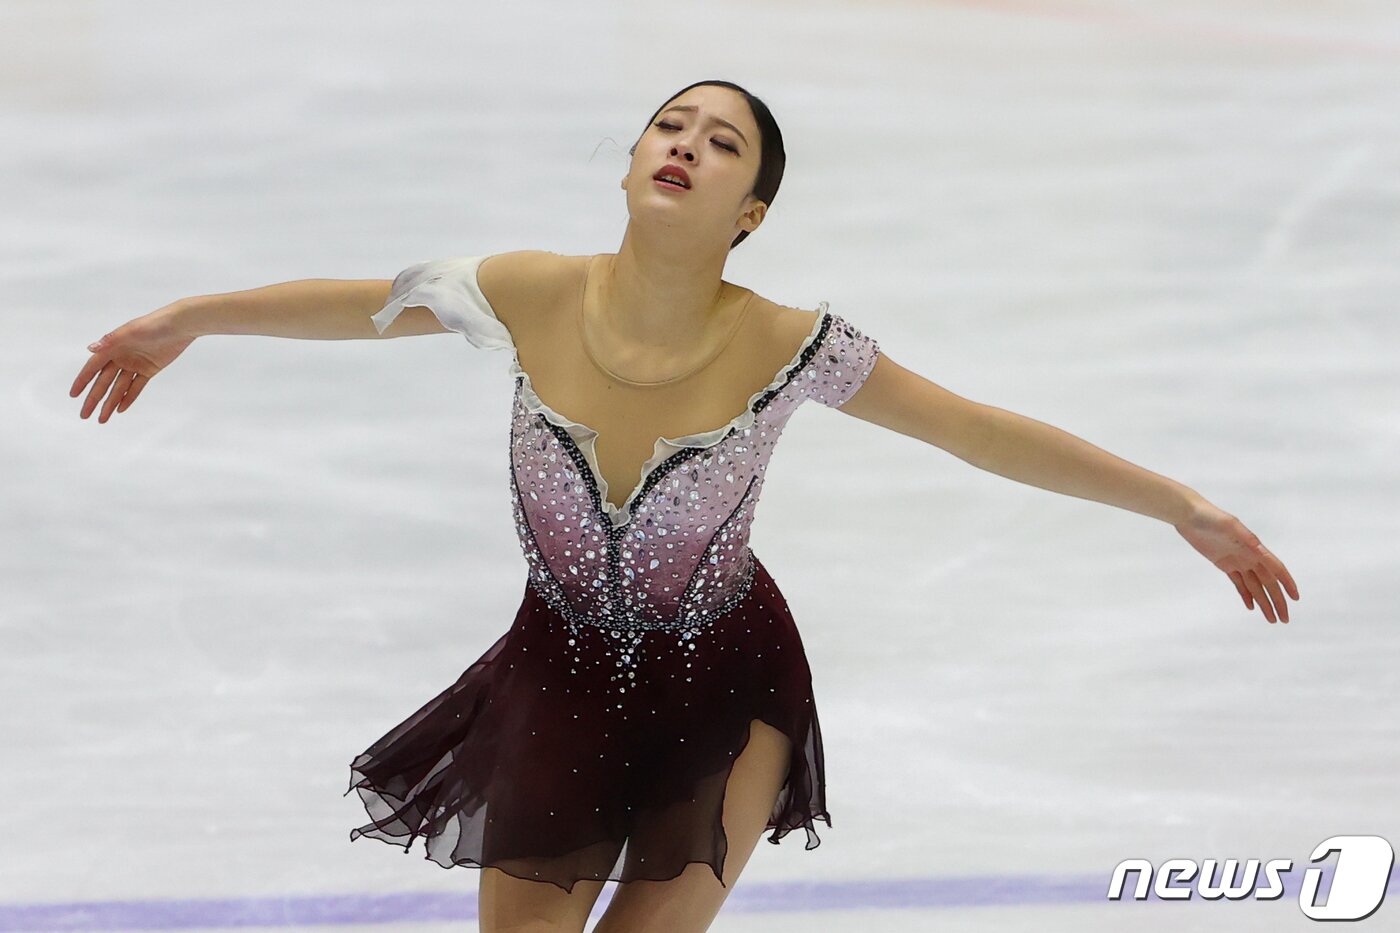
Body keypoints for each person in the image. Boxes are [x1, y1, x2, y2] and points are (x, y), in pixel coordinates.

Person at [69, 79, 1299, 933]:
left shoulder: (791, 345)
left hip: (726, 692)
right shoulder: (525, 291)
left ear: (749, 211)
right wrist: (186, 318)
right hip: (552, 682)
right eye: (670, 125)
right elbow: (367, 302)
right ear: (626, 166)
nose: (688, 146)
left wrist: (1175, 506)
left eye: (722, 145)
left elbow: (973, 430)